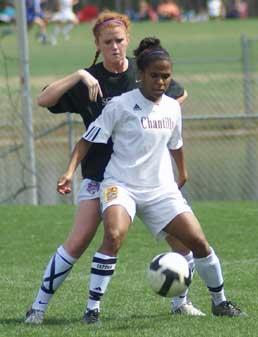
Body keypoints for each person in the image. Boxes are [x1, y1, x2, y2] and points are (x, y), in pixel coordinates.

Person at [25, 11, 201, 325]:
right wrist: (80, 74)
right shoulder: (90, 80)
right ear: (98, 44)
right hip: (101, 176)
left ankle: (181, 302)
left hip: (146, 179)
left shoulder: (144, 71)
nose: (115, 47)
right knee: (78, 241)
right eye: (107, 42)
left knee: (182, 241)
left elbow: (179, 95)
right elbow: (43, 99)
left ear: (128, 40)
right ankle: (38, 308)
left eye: (119, 40)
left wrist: (149, 124)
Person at [56, 36, 246, 324]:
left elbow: (176, 143)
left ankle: (220, 302)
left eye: (166, 76)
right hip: (121, 185)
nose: (160, 81)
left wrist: (182, 171)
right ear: (140, 76)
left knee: (199, 242)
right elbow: (86, 141)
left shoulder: (172, 107)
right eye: (154, 75)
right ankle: (92, 310)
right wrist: (69, 171)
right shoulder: (119, 105)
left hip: (161, 190)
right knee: (114, 235)